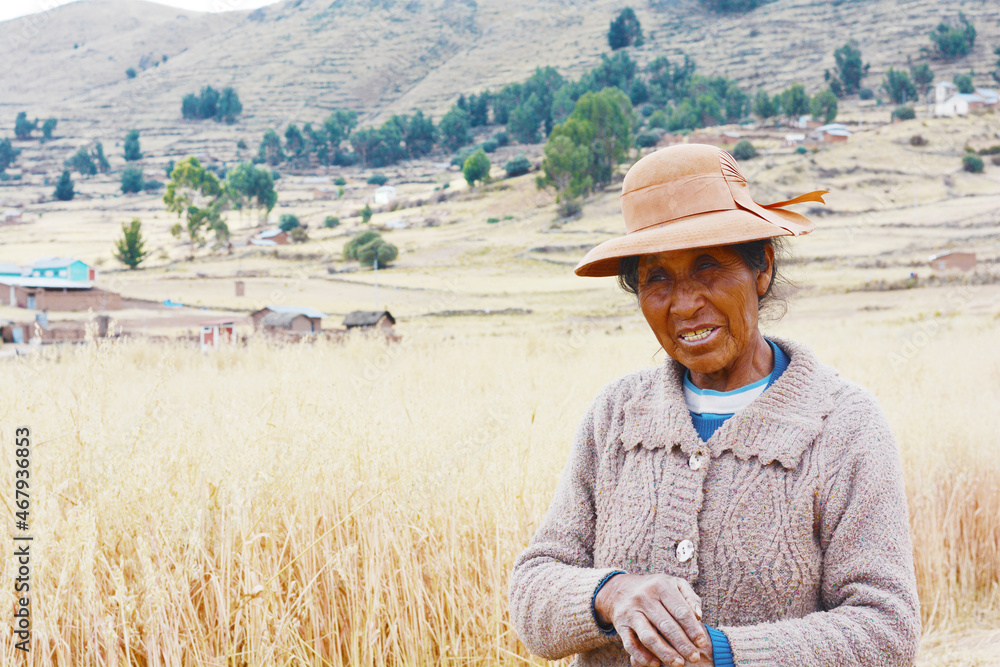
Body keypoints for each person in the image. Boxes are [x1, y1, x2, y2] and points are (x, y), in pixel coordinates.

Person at [508, 144, 919, 666]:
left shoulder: (843, 425)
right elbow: (533, 588)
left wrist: (722, 654)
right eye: (657, 277)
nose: (684, 303)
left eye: (708, 268)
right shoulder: (616, 415)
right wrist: (611, 594)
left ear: (762, 268)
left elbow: (886, 630)